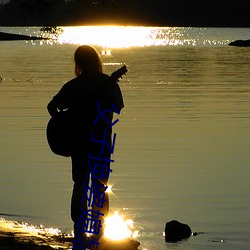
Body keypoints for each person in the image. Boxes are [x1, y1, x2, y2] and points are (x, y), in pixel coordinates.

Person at [47, 45, 124, 239]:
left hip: (78, 142)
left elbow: (52, 106)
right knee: (100, 185)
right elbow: (118, 106)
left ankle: (79, 229)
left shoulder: (74, 85)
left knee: (80, 183)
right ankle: (99, 229)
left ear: (79, 63)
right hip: (101, 142)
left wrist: (63, 121)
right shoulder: (108, 83)